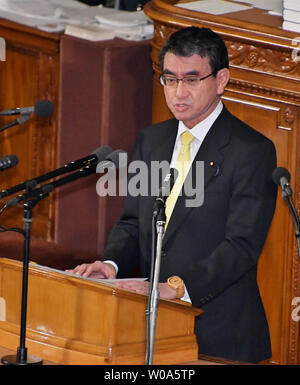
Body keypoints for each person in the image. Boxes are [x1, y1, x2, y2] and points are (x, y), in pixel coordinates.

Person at [67, 27, 277, 363]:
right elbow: (134, 222)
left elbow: (241, 246)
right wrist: (111, 264)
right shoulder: (152, 141)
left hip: (218, 335)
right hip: (148, 330)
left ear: (221, 80)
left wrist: (176, 287)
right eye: (170, 79)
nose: (178, 92)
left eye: (191, 80)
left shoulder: (251, 151)